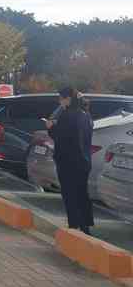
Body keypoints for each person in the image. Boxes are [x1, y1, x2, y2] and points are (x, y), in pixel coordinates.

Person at [44, 87, 94, 234]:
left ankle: (74, 225)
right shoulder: (86, 115)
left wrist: (50, 127)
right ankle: (86, 226)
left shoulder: (67, 115)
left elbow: (60, 136)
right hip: (84, 160)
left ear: (68, 99)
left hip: (68, 160)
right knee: (82, 193)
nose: (59, 101)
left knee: (69, 194)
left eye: (61, 98)